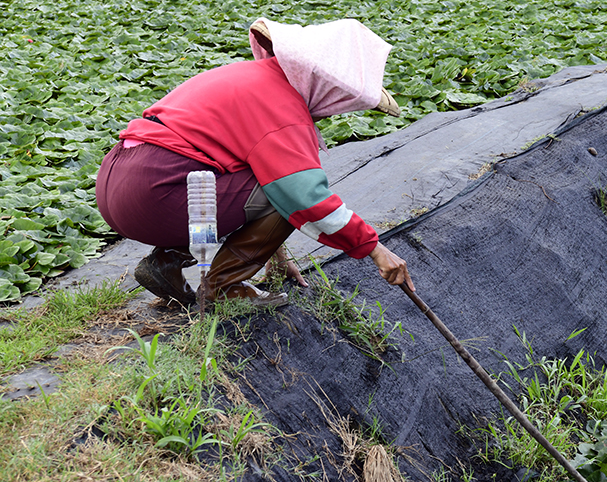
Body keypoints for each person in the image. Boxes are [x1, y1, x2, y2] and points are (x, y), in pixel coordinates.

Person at [95, 18, 415, 308]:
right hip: (158, 195)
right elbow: (303, 196)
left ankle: (165, 261)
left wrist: (274, 254)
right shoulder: (284, 107)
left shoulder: (249, 77)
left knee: (264, 178)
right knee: (291, 188)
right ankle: (224, 286)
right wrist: (375, 249)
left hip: (117, 184)